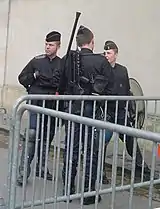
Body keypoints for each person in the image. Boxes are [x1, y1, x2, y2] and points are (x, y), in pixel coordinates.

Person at [58, 26, 114, 205]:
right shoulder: (100, 61)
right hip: (91, 110)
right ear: (92, 41)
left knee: (71, 147)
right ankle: (89, 193)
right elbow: (110, 87)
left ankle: (68, 189)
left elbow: (60, 83)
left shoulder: (68, 58)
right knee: (91, 151)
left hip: (72, 108)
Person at [17, 31, 61, 186]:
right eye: (46, 44)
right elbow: (22, 77)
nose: (48, 47)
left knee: (47, 136)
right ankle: (23, 171)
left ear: (58, 46)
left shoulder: (62, 64)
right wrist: (34, 78)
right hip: (36, 103)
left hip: (52, 105)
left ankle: (41, 168)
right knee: (32, 134)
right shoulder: (36, 61)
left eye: (51, 45)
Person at [102, 40, 150, 181]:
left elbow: (127, 91)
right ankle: (101, 173)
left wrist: (130, 110)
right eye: (105, 53)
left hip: (121, 111)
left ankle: (141, 168)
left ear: (115, 54)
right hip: (107, 112)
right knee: (103, 143)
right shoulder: (101, 69)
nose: (106, 55)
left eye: (109, 53)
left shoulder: (122, 70)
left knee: (130, 140)